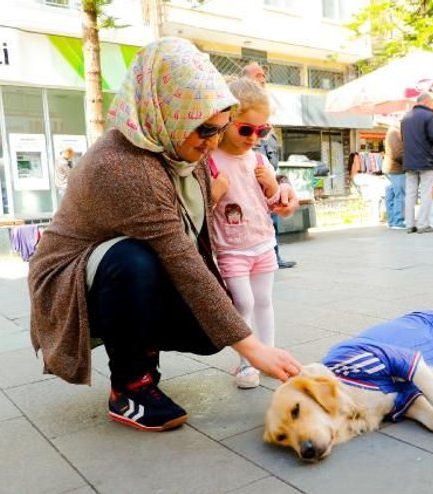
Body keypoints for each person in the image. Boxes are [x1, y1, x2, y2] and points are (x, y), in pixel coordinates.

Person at [27, 38, 301, 433]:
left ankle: (142, 350)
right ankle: (130, 385)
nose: (211, 143)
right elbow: (179, 257)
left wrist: (280, 187)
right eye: (204, 129)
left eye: (220, 130)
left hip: (144, 265)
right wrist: (253, 348)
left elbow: (216, 208)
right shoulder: (123, 166)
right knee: (134, 258)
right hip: (70, 281)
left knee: (207, 327)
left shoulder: (182, 150)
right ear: (167, 111)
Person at [208, 77, 282, 389]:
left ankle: (269, 353)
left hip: (262, 242)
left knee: (264, 299)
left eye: (262, 131)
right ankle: (246, 361)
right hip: (230, 247)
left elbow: (273, 199)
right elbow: (201, 206)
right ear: (226, 122)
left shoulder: (259, 159)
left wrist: (273, 184)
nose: (254, 137)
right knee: (243, 302)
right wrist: (215, 191)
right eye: (246, 129)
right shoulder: (210, 159)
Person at [241, 61, 296, 269]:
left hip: (267, 162)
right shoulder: (241, 102)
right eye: (258, 75)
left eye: (263, 75)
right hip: (254, 165)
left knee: (273, 206)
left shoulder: (264, 101)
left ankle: (273, 254)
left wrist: (282, 182)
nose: (262, 79)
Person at [400, 92, 433, 234]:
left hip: (409, 160)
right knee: (425, 192)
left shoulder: (405, 118)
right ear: (426, 102)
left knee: (410, 193)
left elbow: (404, 139)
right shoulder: (429, 116)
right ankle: (423, 224)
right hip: (426, 159)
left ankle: (409, 224)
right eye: (431, 103)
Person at [382, 123, 406, 229]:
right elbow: (398, 153)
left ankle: (392, 221)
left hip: (390, 168)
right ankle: (398, 221)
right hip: (396, 169)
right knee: (399, 195)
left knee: (391, 196)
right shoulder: (394, 133)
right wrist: (409, 161)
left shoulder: (392, 132)